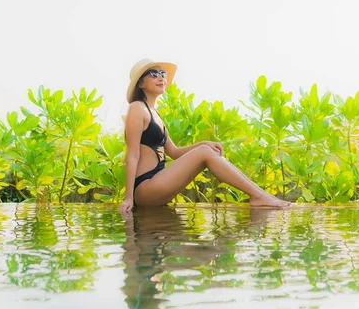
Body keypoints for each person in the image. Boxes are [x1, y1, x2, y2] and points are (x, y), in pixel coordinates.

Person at [118, 59, 291, 213]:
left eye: (162, 73)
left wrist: (204, 143)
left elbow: (174, 152)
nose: (161, 77)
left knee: (205, 150)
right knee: (203, 152)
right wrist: (128, 198)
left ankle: (259, 195)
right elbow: (132, 154)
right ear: (141, 83)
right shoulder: (137, 108)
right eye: (153, 74)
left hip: (158, 185)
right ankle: (258, 196)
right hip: (145, 188)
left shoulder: (155, 114)